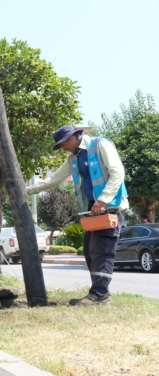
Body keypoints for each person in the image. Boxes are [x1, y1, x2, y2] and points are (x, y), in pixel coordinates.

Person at [27, 125, 128, 306]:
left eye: (63, 143)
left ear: (73, 137)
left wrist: (103, 200)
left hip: (109, 208)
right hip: (92, 210)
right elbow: (54, 179)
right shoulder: (73, 158)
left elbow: (117, 172)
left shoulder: (100, 144)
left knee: (101, 251)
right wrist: (26, 190)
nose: (62, 148)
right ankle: (98, 294)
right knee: (90, 251)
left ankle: (100, 295)